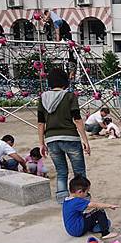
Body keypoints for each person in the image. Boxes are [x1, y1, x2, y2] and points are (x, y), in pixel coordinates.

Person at [38, 68, 90, 204]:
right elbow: (77, 119)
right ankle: (81, 200)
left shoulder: (43, 98)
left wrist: (41, 143)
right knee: (79, 172)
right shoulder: (69, 96)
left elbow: (40, 123)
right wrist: (85, 140)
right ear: (64, 81)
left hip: (51, 140)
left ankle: (63, 201)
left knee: (61, 171)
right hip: (70, 138)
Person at [62, 175, 119, 239]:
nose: (87, 194)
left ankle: (92, 228)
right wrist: (109, 206)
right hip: (77, 229)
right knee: (99, 211)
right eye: (87, 192)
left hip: (72, 229)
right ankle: (105, 233)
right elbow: (93, 205)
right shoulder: (76, 201)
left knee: (105, 221)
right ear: (80, 192)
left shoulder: (67, 200)